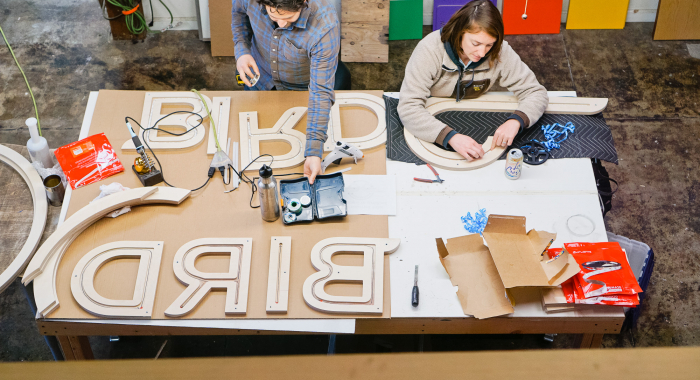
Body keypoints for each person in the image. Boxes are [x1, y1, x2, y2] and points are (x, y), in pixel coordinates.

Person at [398, 0, 548, 161]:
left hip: (472, 110)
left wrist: (516, 121)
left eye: (489, 45)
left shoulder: (500, 50)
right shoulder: (429, 49)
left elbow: (536, 92)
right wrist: (451, 137)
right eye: (475, 43)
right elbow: (408, 106)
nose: (482, 53)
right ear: (459, 32)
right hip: (431, 110)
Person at [232, 0, 340, 184]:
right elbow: (238, 13)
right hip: (261, 79)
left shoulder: (325, 24)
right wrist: (242, 50)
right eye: (273, 16)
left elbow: (320, 92)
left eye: (289, 17)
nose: (281, 24)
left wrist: (314, 152)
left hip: (301, 93)